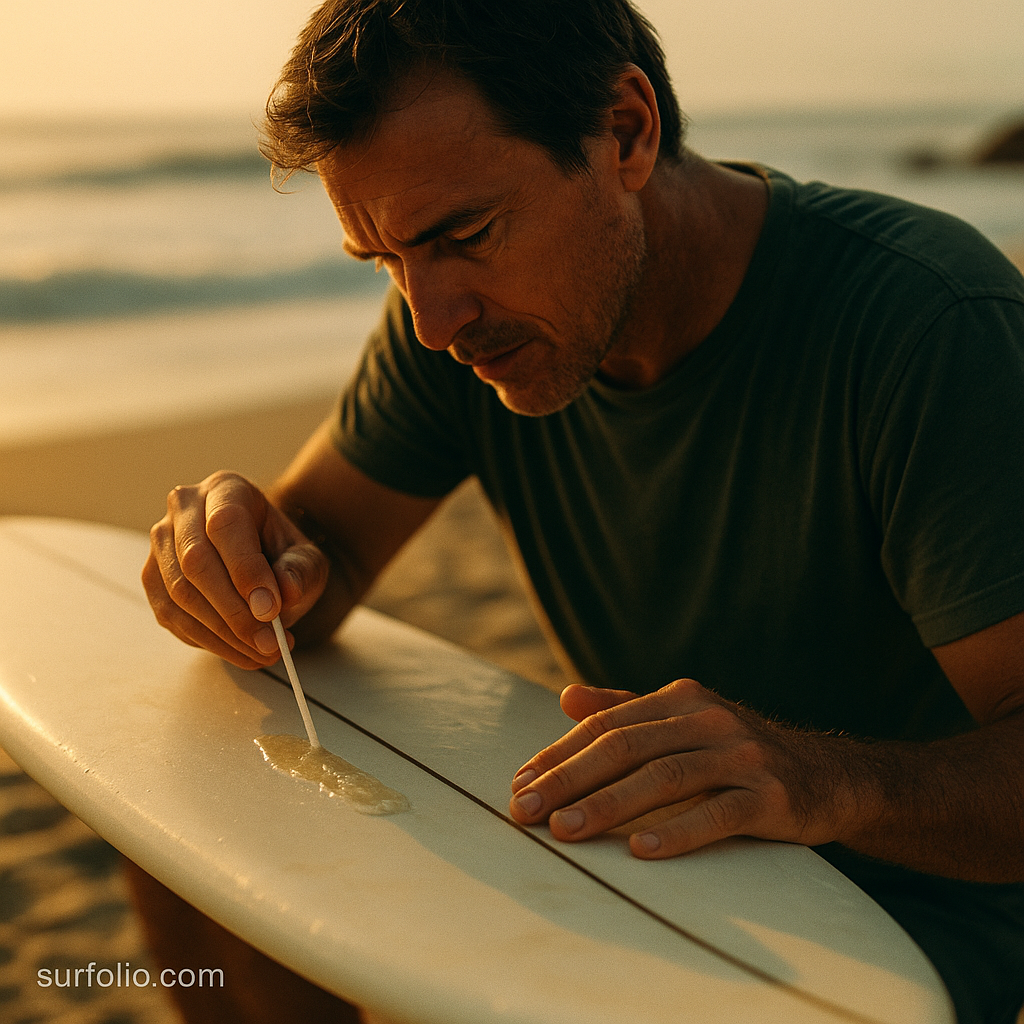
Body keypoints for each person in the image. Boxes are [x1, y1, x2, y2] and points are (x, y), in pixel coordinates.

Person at [141, 0, 1024, 1021]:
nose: (431, 321)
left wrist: (821, 778)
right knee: (187, 846)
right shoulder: (472, 322)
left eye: (466, 234)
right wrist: (239, 563)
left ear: (625, 133)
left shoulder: (921, 324)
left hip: (897, 946)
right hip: (625, 874)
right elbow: (319, 552)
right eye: (385, 261)